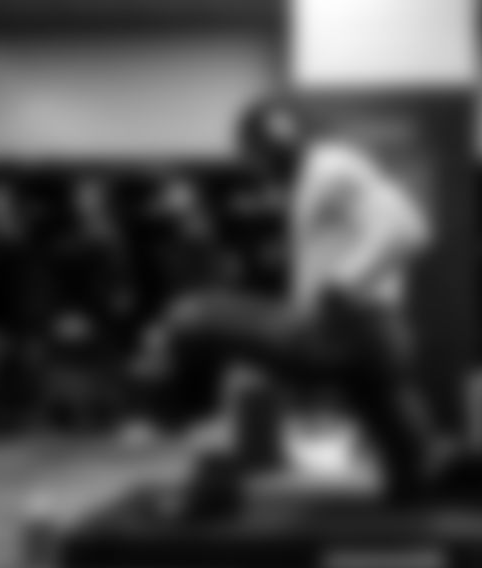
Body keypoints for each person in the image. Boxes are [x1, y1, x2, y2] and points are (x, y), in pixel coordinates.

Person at [143, 94, 436, 506]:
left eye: (256, 156)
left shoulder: (331, 166)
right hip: (376, 338)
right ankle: (412, 484)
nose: (258, 169)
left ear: (274, 140)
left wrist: (344, 283)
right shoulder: (314, 178)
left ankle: (178, 429)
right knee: (406, 467)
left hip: (344, 330)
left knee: (188, 316)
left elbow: (408, 227)